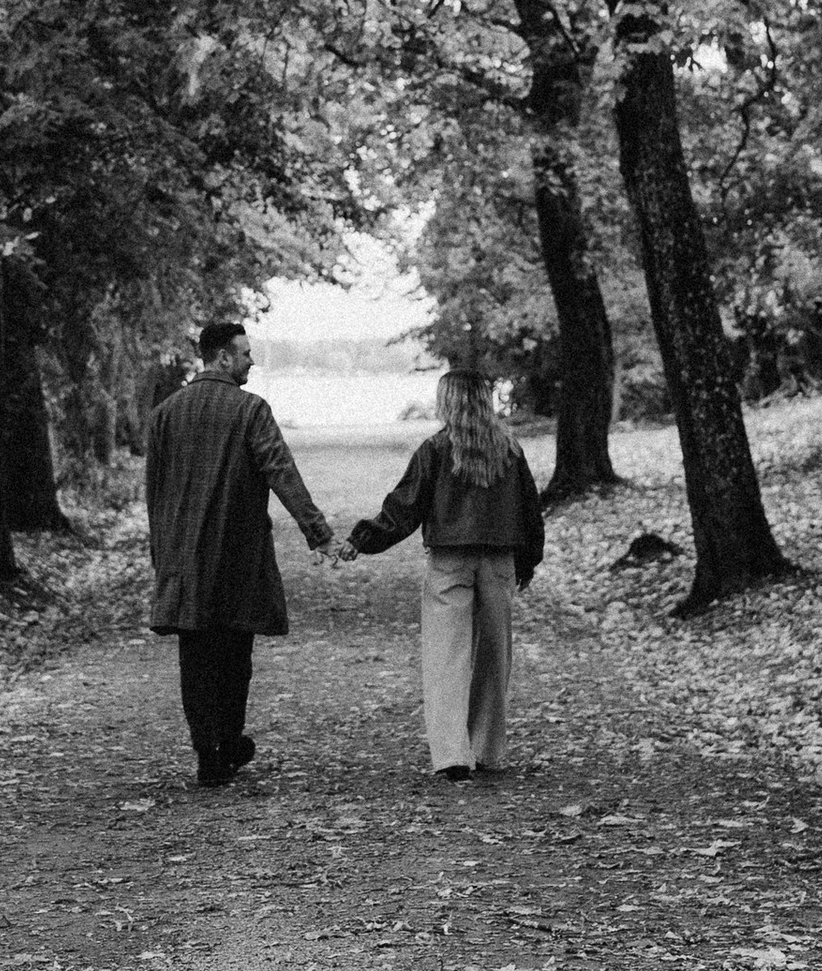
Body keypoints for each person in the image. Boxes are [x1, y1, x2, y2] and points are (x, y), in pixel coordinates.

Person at [144, 317, 335, 788]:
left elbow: (156, 493)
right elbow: (281, 472)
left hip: (186, 554)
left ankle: (207, 749)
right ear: (223, 357)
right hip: (237, 551)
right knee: (234, 652)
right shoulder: (251, 410)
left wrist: (162, 556)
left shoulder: (166, 413)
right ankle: (227, 740)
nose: (252, 359)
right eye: (246, 352)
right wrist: (319, 532)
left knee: (196, 656)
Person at [341, 347, 545, 778]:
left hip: (450, 561)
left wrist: (363, 540)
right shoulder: (510, 450)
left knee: (445, 658)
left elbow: (404, 508)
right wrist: (528, 561)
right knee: (494, 658)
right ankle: (487, 749)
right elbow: (530, 511)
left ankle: (452, 754)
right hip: (498, 561)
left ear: (448, 401)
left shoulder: (436, 449)